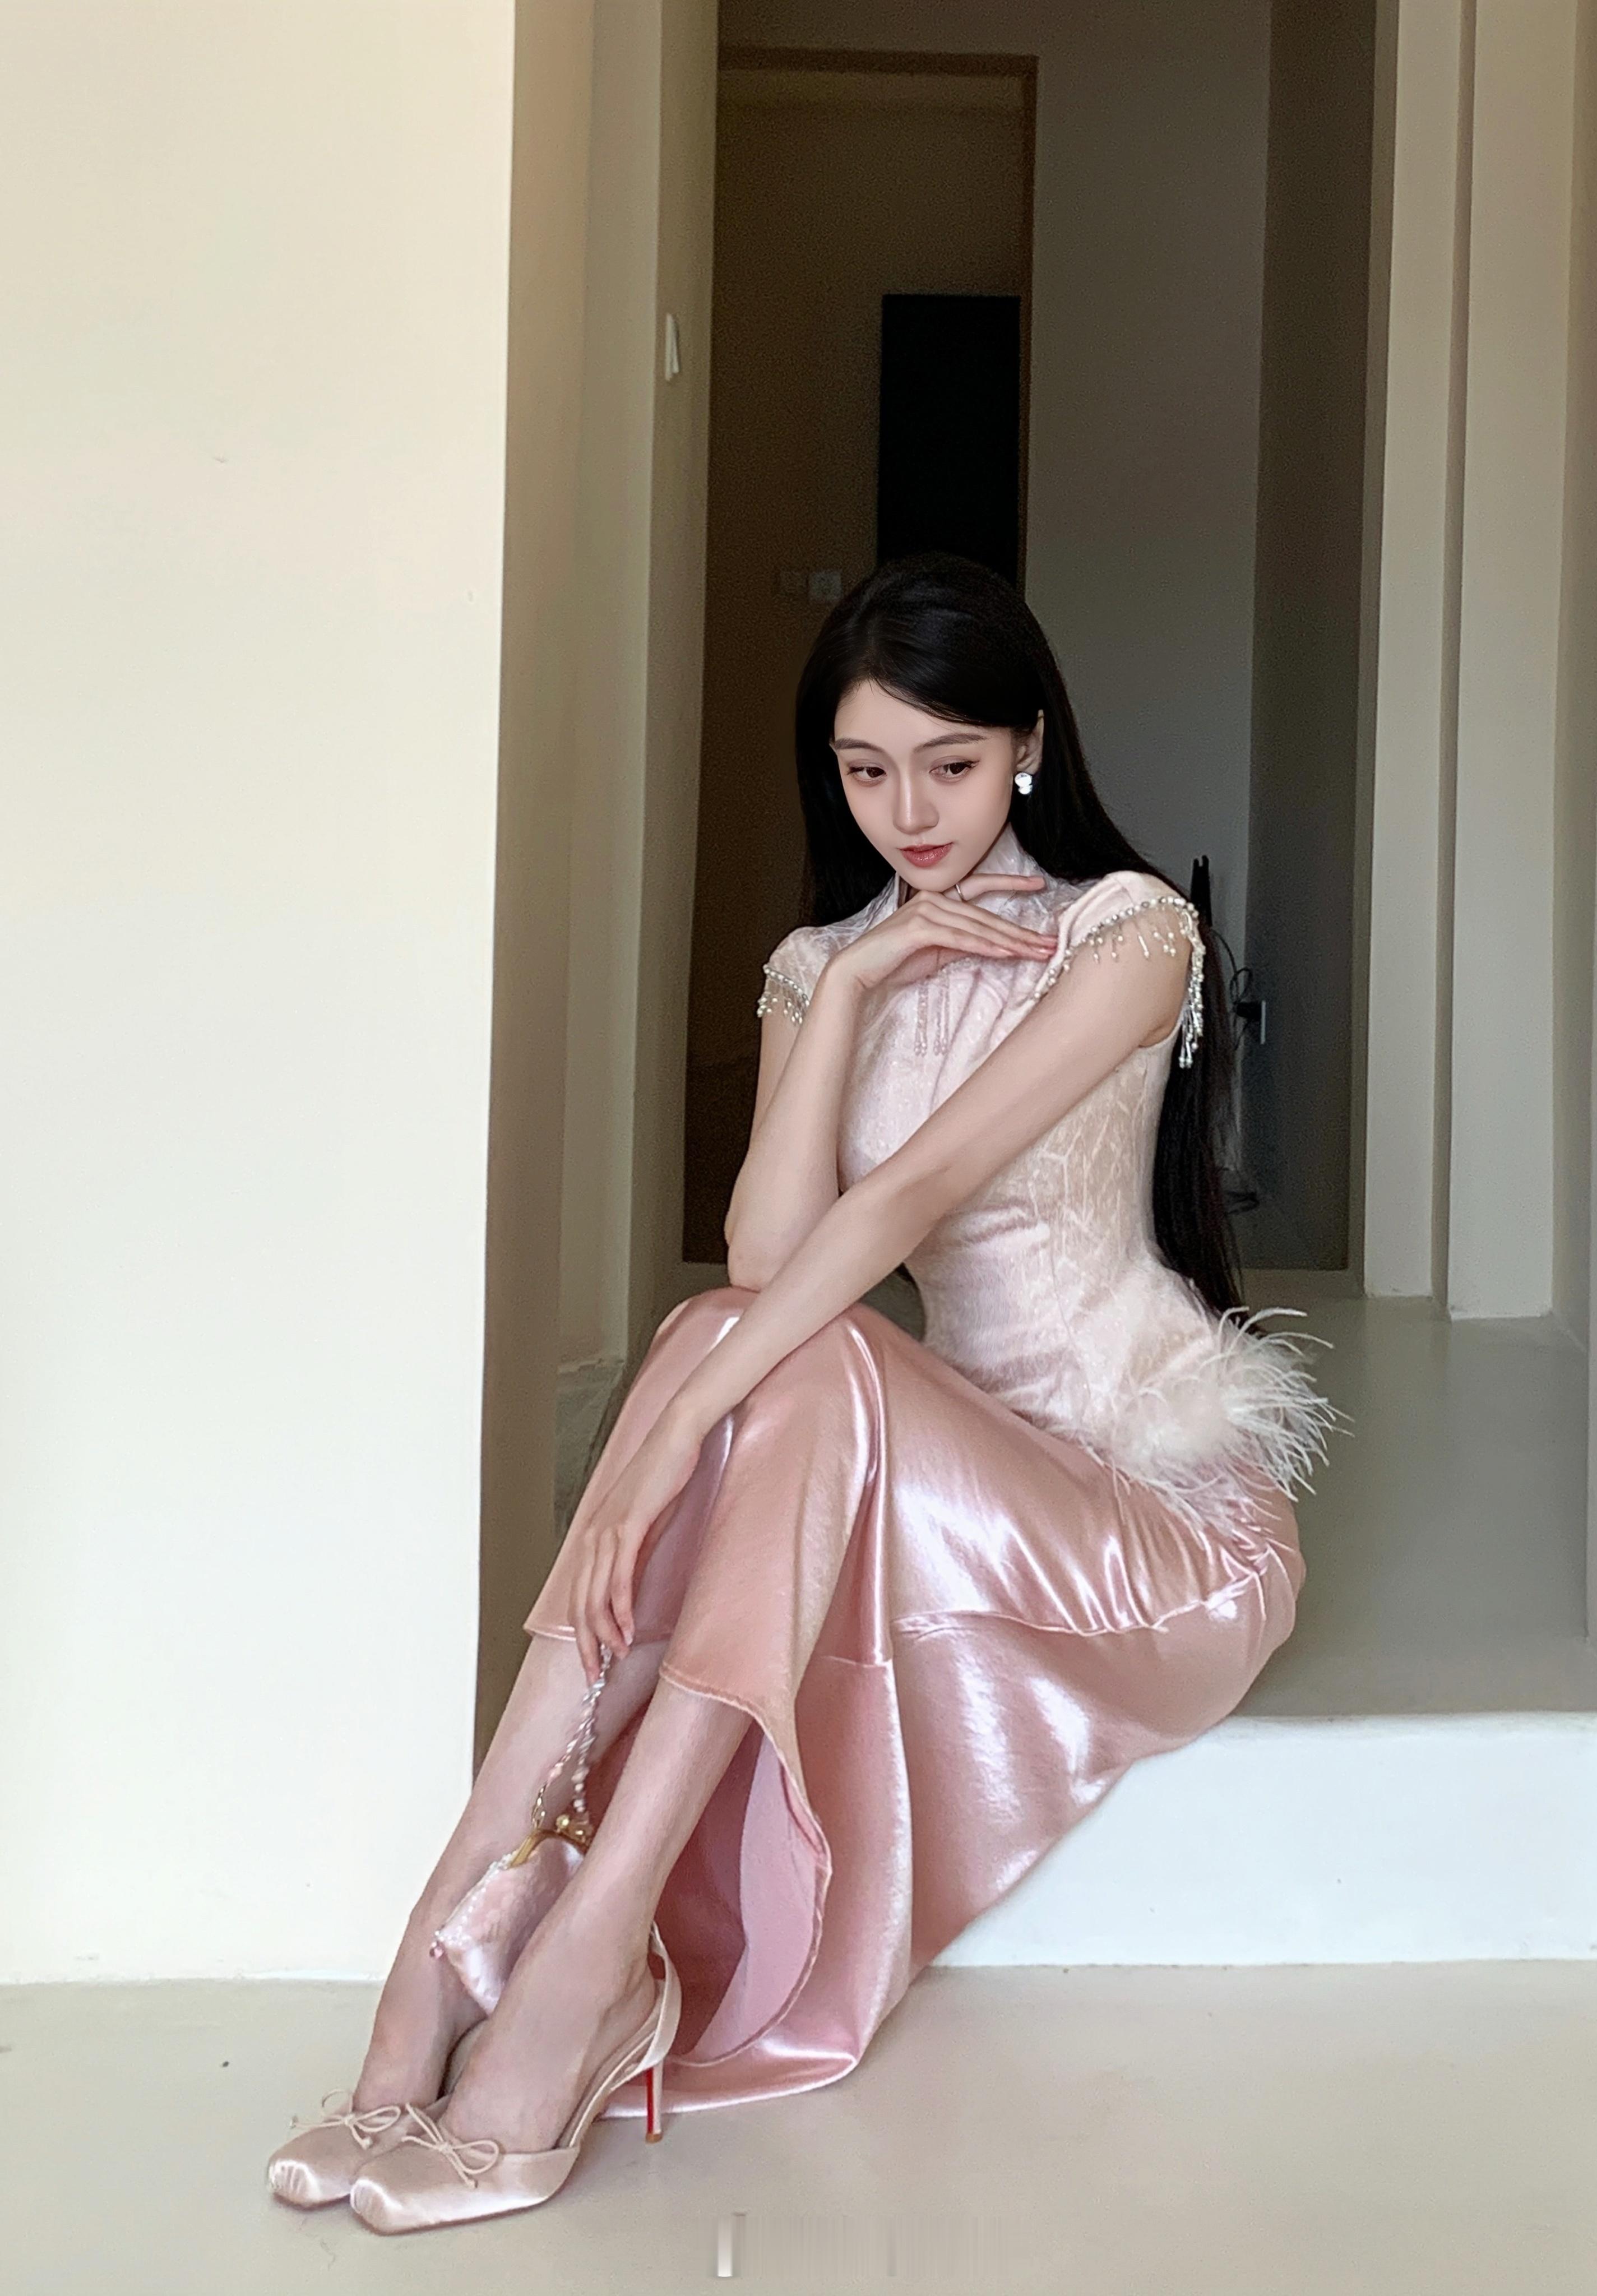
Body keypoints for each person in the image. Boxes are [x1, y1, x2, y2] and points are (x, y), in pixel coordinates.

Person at [266, 553, 1335, 2234]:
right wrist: (844, 993)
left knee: (762, 1359)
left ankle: (578, 1964)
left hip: (1142, 1528)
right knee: (738, 1327)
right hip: (941, 1500)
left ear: (1029, 746)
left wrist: (661, 1451)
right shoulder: (822, 961)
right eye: (864, 770)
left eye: (951, 764)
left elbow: (907, 1200)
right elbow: (765, 1252)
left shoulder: (1124, 934)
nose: (910, 811)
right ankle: (445, 1955)